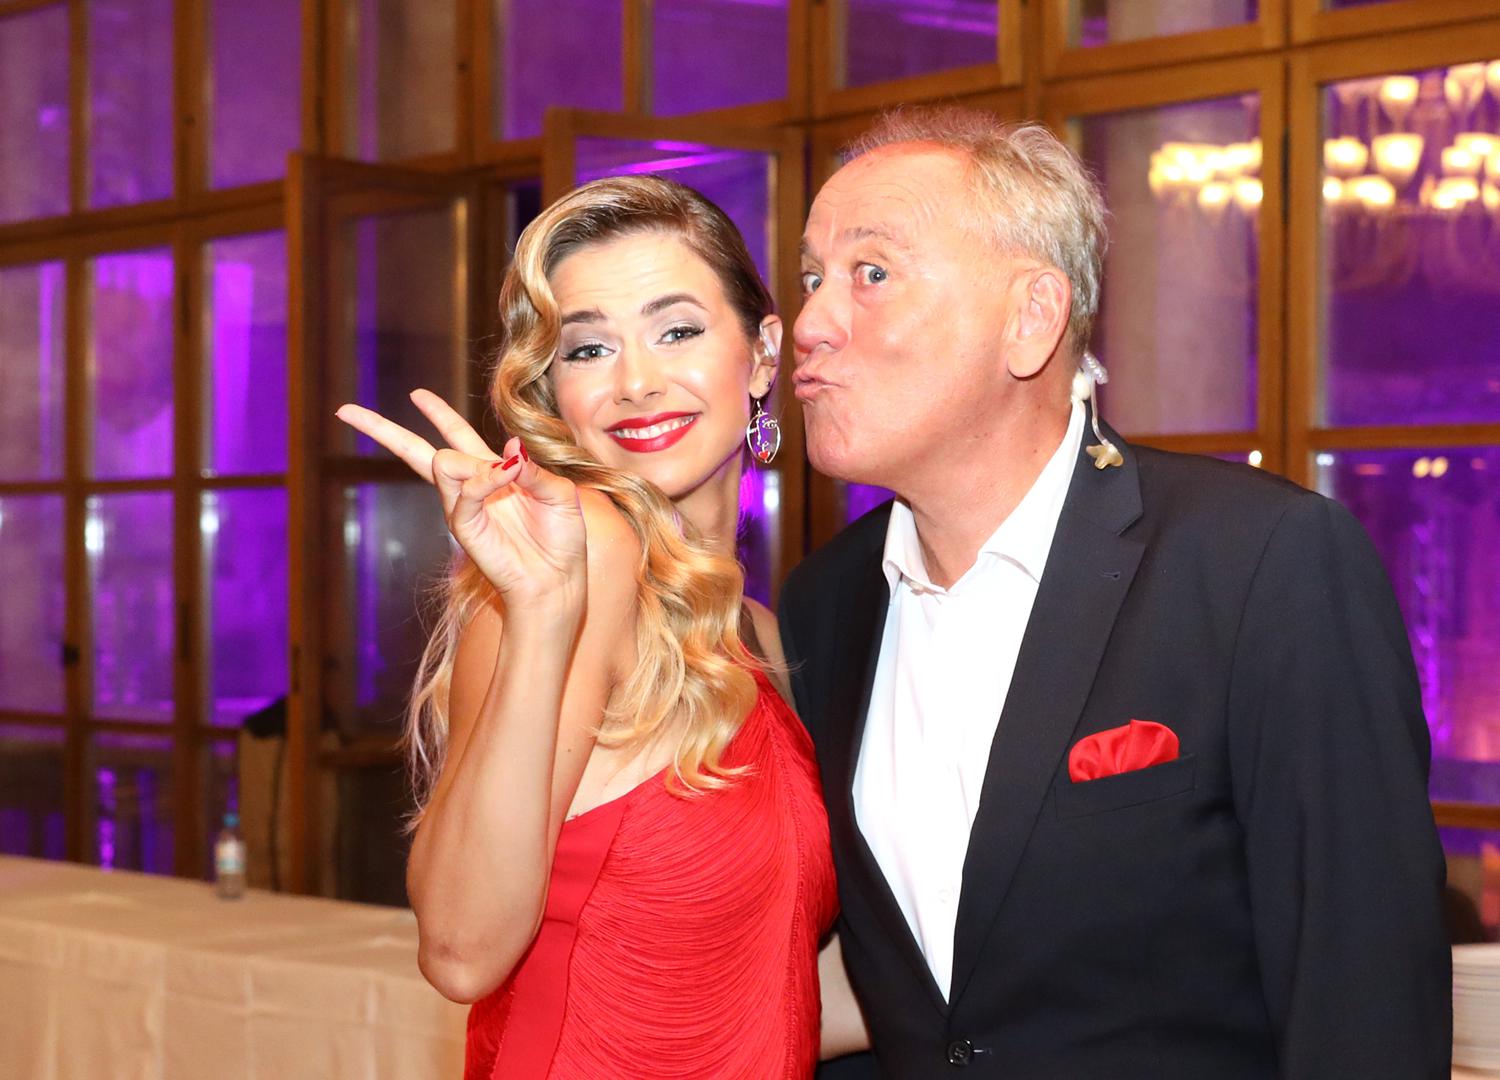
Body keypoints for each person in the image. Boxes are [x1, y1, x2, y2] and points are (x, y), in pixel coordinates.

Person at [781, 106, 1451, 1078]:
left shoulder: (1260, 564)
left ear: (1030, 317)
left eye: (871, 273)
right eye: (813, 278)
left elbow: (1363, 1000)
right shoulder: (827, 604)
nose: (810, 324)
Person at [336, 175, 853, 1078]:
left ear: (763, 355)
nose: (636, 382)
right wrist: (542, 611)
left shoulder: (762, 634)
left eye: (677, 331)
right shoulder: (584, 566)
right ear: (553, 392)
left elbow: (765, 990)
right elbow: (460, 951)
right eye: (587, 349)